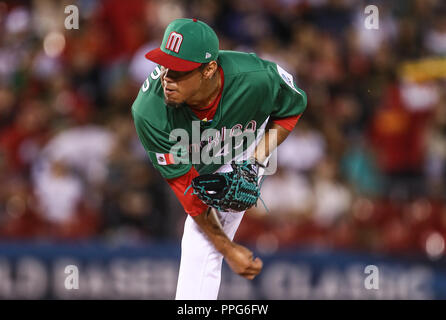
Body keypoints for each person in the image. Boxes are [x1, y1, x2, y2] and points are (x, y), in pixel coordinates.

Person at [131, 18, 307, 299]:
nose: (167, 78)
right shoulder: (149, 112)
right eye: (165, 65)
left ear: (209, 68)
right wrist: (229, 249)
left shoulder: (255, 77)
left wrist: (255, 161)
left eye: (179, 71)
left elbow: (292, 108)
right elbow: (190, 195)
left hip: (243, 140)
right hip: (194, 152)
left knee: (199, 243)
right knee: (206, 232)